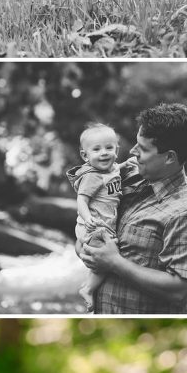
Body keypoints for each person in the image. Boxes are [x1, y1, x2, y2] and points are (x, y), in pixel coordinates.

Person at [81, 102, 187, 314]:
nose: (133, 152)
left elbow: (181, 291)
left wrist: (114, 262)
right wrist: (86, 247)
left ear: (169, 157)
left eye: (143, 149)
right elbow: (92, 196)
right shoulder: (132, 172)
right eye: (136, 144)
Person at [66, 122, 127, 313]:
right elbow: (82, 200)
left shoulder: (111, 170)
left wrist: (128, 164)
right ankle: (88, 288)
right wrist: (87, 219)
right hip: (93, 225)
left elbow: (116, 172)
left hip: (103, 224)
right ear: (85, 155)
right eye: (97, 149)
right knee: (108, 258)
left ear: (117, 150)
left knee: (106, 257)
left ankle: (91, 286)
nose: (104, 153)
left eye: (109, 148)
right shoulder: (93, 177)